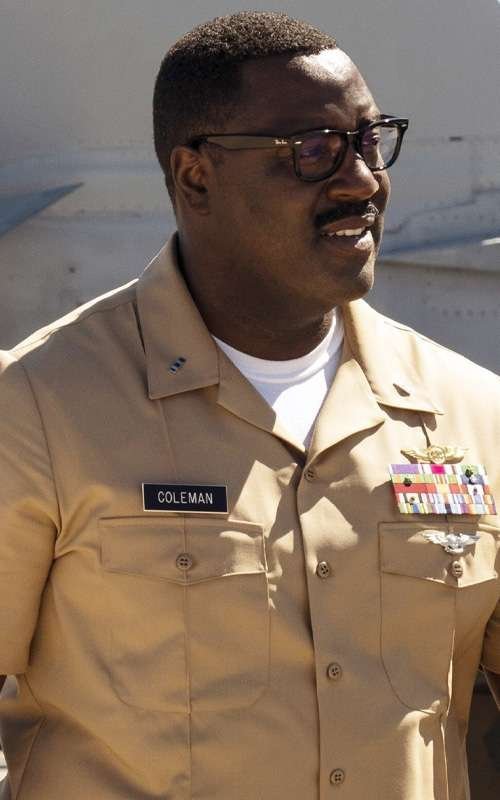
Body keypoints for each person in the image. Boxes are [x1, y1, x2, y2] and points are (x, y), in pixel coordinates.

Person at [0, 10, 498, 800]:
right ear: (196, 177)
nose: (363, 182)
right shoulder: (36, 407)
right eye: (313, 150)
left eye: (370, 142)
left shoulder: (472, 414)